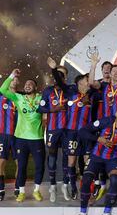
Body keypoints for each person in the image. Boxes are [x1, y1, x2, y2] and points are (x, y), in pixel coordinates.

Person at [70, 104, 117, 215]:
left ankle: (106, 214)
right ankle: (82, 214)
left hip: (112, 158)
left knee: (115, 180)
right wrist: (98, 139)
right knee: (87, 179)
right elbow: (83, 131)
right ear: (116, 114)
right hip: (96, 157)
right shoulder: (106, 121)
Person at [47, 57, 94, 200]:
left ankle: (87, 188)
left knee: (88, 162)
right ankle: (73, 186)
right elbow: (60, 82)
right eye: (86, 81)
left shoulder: (90, 94)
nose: (88, 83)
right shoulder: (70, 93)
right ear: (80, 83)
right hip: (71, 132)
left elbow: (92, 82)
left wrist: (93, 65)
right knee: (71, 162)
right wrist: (54, 69)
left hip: (86, 133)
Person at [0, 69, 45, 202]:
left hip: (36, 138)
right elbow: (3, 89)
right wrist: (12, 75)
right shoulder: (18, 98)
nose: (28, 85)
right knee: (21, 165)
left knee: (39, 166)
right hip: (19, 137)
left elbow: (49, 106)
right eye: (26, 84)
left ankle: (36, 191)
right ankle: (20, 192)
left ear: (36, 87)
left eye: (31, 84)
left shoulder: (40, 98)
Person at [89, 54, 117, 200]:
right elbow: (92, 82)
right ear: (110, 74)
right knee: (102, 154)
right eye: (114, 71)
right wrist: (93, 64)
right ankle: (103, 185)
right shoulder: (104, 86)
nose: (116, 73)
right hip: (107, 127)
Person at [38, 65, 69, 202]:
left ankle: (66, 185)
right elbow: (40, 108)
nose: (58, 78)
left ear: (65, 77)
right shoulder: (48, 91)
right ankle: (52, 186)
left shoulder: (69, 90)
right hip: (52, 129)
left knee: (67, 158)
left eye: (61, 75)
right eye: (56, 75)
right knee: (52, 157)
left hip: (67, 130)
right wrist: (53, 109)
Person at [0, 76, 19, 200]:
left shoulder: (20, 98)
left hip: (18, 135)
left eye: (16, 79)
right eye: (12, 79)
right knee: (1, 163)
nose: (14, 81)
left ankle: (18, 189)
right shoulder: (1, 97)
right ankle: (1, 190)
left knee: (20, 163)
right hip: (2, 135)